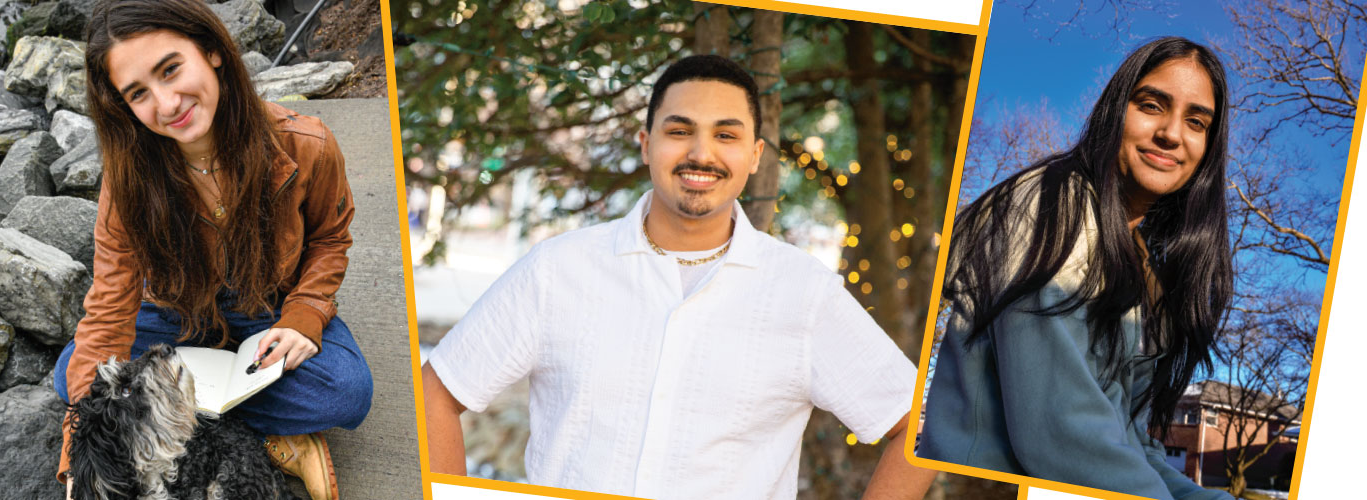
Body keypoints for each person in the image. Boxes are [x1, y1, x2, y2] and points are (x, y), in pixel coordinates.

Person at [422, 54, 937, 500]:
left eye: (726, 135)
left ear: (754, 156)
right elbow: (437, 393)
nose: (701, 154)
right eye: (679, 130)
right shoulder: (558, 270)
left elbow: (916, 430)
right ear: (647, 144)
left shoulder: (803, 294)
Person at [51, 1, 373, 499]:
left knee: (347, 391)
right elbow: (110, 303)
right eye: (138, 93)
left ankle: (175, 421)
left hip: (267, 313)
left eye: (171, 69)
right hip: (169, 317)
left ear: (213, 51)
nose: (166, 102)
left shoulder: (308, 144)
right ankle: (270, 436)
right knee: (73, 376)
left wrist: (305, 315)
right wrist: (80, 458)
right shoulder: (128, 179)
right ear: (124, 106)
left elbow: (330, 241)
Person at [918, 37, 1234, 500]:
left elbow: (1132, 445)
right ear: (1114, 111)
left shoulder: (1144, 268)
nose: (1171, 132)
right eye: (1151, 105)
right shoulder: (1050, 209)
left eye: (1196, 121)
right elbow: (1062, 435)